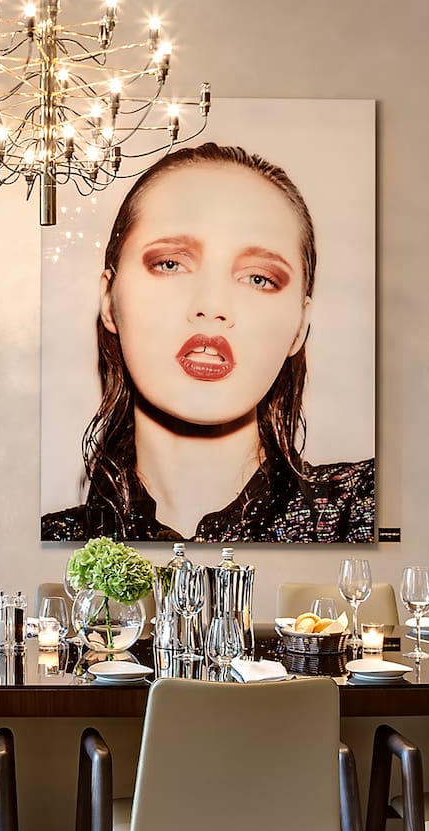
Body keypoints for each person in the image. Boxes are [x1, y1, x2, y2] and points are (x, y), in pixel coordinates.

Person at [41, 143, 375, 543]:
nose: (212, 305)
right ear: (109, 302)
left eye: (258, 278)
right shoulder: (55, 541)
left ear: (300, 326)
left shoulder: (366, 507)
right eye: (170, 264)